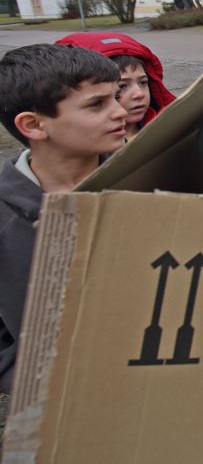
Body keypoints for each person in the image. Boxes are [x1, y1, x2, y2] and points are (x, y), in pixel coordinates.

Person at [0, 45, 128, 406]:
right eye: (96, 104)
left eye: (115, 97)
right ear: (34, 124)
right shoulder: (5, 221)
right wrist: (39, 379)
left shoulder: (149, 177)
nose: (120, 112)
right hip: (63, 405)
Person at [54, 32, 175, 140]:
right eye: (121, 86)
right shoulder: (87, 148)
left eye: (143, 82)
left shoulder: (170, 126)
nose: (139, 94)